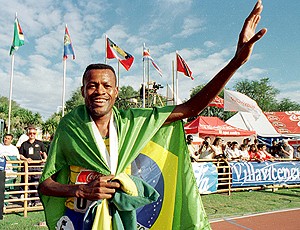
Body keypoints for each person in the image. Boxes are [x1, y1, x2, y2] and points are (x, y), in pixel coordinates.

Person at [39, 1, 266, 229]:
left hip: (121, 219)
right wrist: (80, 189)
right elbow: (45, 184)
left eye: (107, 86)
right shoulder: (70, 126)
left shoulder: (132, 121)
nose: (99, 91)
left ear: (116, 92)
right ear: (82, 91)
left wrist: (236, 62)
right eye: (92, 85)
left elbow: (191, 109)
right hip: (79, 221)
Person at [19, 126, 47, 206]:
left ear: (36, 134)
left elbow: (44, 153)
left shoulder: (40, 143)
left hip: (37, 166)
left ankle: (35, 201)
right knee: (27, 184)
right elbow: (20, 155)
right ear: (28, 134)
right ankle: (26, 202)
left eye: (34, 133)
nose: (32, 135)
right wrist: (26, 159)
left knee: (36, 183)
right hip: (27, 167)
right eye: (30, 133)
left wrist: (45, 159)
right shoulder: (24, 144)